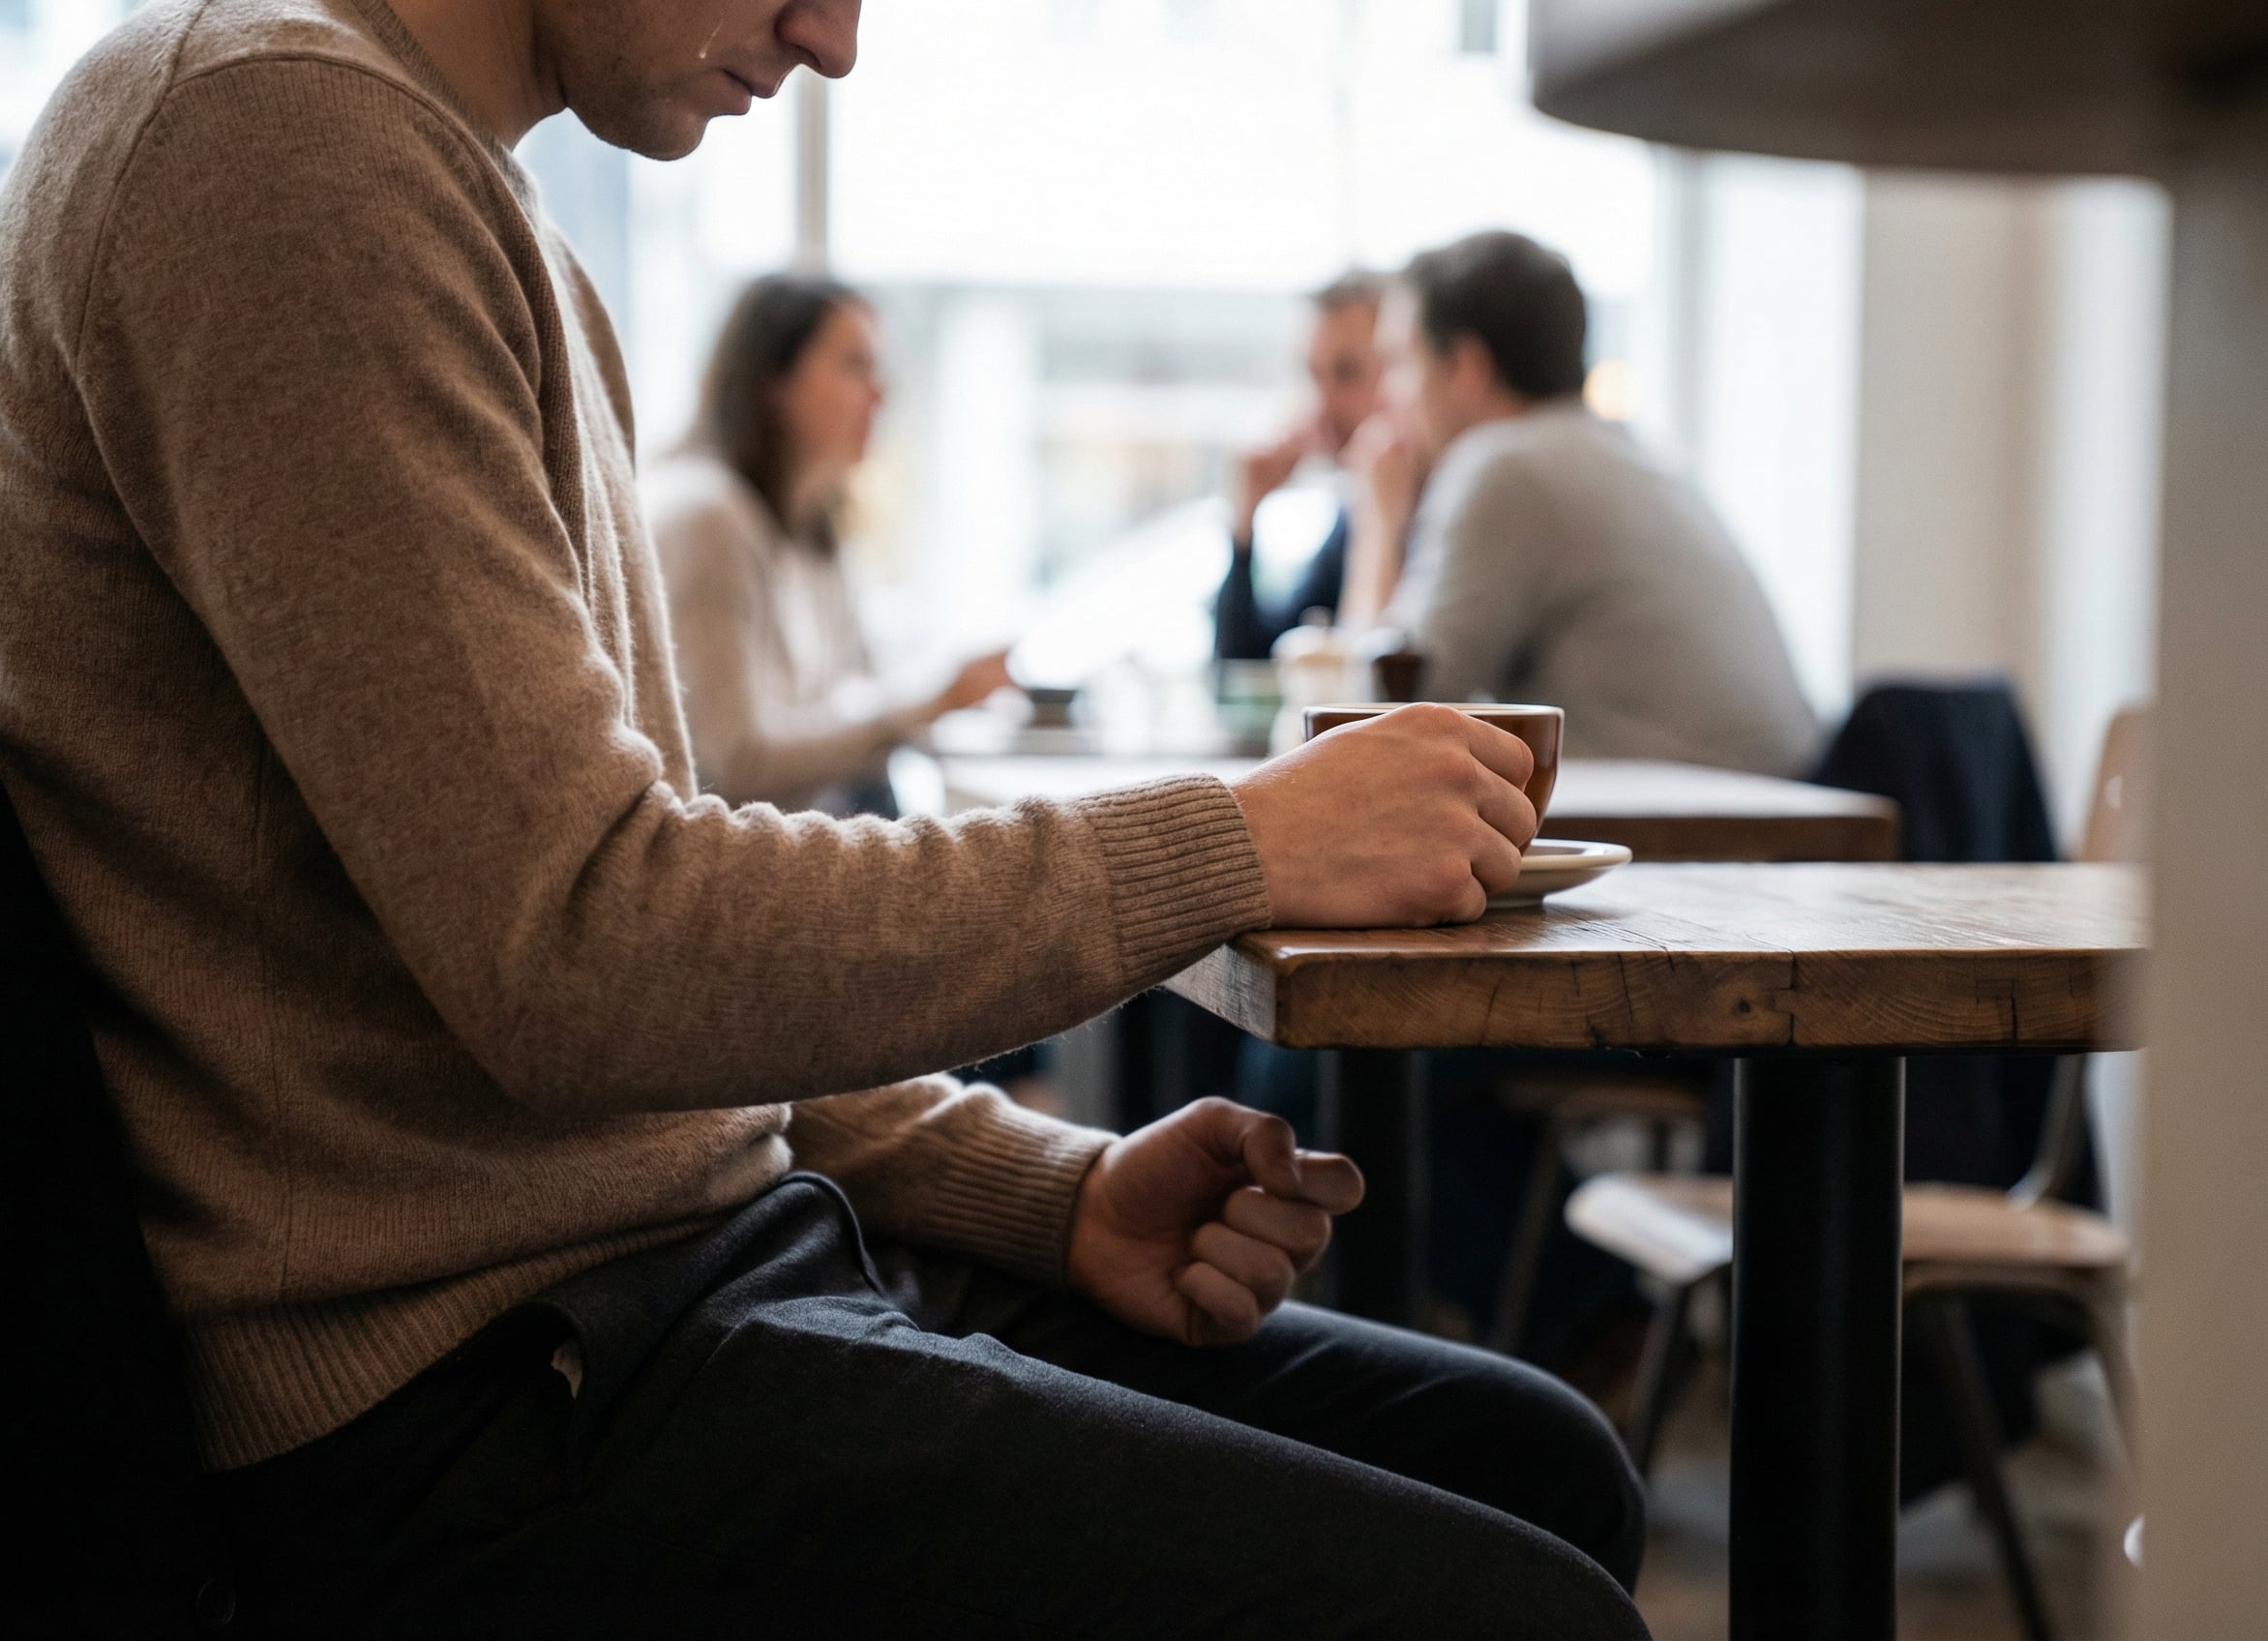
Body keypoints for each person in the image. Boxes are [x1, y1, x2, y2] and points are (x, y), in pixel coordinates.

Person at [0, 0, 1649, 1634]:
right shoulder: (270, 139)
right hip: (474, 1395)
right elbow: (580, 947)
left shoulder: (484, 216)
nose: (831, 40)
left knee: (1537, 1463)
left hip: (675, 1274)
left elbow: (628, 969)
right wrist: (1236, 843)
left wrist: (1037, 1190)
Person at [1349, 229, 1821, 777]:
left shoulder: (1506, 466)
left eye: (1403, 364)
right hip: (1779, 791)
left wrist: (1378, 523)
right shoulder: (1628, 451)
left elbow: (1386, 716)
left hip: (1687, 813)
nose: (1388, 396)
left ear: (1467, 368)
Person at [649, 275, 1009, 817]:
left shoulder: (814, 521)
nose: (880, 392)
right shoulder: (708, 517)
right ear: (774, 381)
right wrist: (929, 702)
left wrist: (937, 692)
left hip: (810, 834)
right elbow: (735, 762)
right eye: (855, 365)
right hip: (744, 864)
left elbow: (861, 681)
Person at [1211, 271, 1386, 662]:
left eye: (1347, 372)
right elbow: (1253, 665)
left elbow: (1377, 688)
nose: (1321, 402)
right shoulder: (1353, 510)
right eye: (1313, 373)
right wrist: (1243, 526)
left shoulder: (1436, 506)